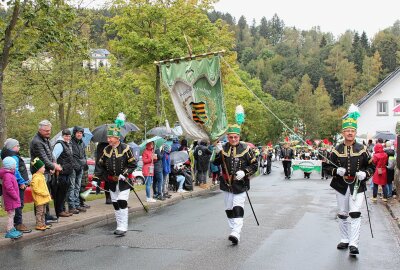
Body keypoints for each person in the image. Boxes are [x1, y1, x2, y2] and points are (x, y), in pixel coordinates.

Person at [329, 105, 375, 256]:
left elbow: (371, 167)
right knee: (343, 213)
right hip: (341, 185)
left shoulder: (362, 149)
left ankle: (354, 244)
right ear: (343, 132)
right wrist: (336, 171)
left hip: (357, 185)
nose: (350, 133)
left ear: (355, 132)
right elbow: (327, 168)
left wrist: (365, 174)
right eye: (347, 130)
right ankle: (344, 239)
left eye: (352, 131)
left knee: (355, 213)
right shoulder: (336, 149)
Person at [213, 124, 258, 245]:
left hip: (240, 184)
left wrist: (244, 172)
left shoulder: (246, 149)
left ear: (239, 137)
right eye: (231, 137)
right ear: (227, 137)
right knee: (228, 208)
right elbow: (216, 162)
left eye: (236, 137)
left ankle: (236, 232)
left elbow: (255, 165)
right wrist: (217, 152)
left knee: (237, 206)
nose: (233, 139)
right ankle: (233, 229)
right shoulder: (223, 148)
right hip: (226, 184)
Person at [92, 124, 137, 236]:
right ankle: (119, 226)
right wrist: (96, 178)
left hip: (123, 182)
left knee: (122, 201)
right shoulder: (106, 149)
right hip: (111, 181)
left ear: (117, 138)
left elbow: (133, 164)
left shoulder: (126, 148)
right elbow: (100, 165)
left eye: (110, 138)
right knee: (115, 204)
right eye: (108, 138)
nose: (108, 140)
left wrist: (125, 173)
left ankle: (123, 226)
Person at [30, 120, 61, 223]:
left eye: (49, 130)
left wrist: (52, 166)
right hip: (39, 172)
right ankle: (40, 218)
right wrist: (54, 166)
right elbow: (43, 158)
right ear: (40, 129)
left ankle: (46, 215)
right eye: (46, 130)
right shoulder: (37, 142)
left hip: (46, 171)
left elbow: (50, 155)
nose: (48, 132)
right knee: (40, 196)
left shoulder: (45, 139)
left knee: (46, 194)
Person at [1, 138, 31, 233]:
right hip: (18, 184)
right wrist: (22, 182)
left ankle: (16, 223)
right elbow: (16, 171)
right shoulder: (13, 158)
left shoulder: (11, 155)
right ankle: (18, 223)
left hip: (17, 183)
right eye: (17, 146)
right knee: (18, 203)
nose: (19, 147)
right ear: (11, 148)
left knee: (18, 204)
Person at [52, 129, 74, 218]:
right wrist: (57, 167)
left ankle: (62, 210)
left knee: (64, 192)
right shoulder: (59, 144)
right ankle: (59, 211)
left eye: (69, 136)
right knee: (60, 193)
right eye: (66, 136)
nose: (68, 138)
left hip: (67, 172)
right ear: (63, 135)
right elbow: (53, 157)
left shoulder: (67, 144)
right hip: (61, 172)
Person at [0, 157, 23, 239]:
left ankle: (12, 229)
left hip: (11, 199)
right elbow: (9, 188)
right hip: (10, 199)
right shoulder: (7, 176)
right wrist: (16, 196)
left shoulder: (9, 174)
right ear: (10, 166)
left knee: (12, 214)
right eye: (14, 165)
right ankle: (9, 230)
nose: (15, 166)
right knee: (11, 215)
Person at [68, 126, 87, 214]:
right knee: (72, 187)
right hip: (73, 168)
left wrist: (84, 163)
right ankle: (71, 206)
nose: (79, 134)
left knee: (78, 187)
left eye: (81, 133)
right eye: (78, 133)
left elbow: (83, 155)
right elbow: (70, 156)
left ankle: (77, 204)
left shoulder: (82, 143)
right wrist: (75, 165)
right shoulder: (70, 142)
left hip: (81, 167)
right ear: (74, 133)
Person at [30, 158, 52, 231]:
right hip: (39, 198)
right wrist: (44, 193)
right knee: (39, 212)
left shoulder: (41, 176)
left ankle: (43, 224)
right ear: (38, 169)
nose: (44, 169)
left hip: (44, 198)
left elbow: (44, 187)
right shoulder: (36, 177)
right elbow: (35, 188)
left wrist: (47, 194)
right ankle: (39, 224)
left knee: (43, 212)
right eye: (43, 167)